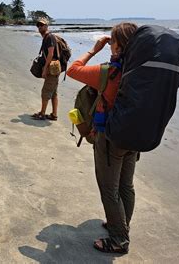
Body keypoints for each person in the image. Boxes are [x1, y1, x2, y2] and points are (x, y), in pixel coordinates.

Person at [66, 22, 139, 254]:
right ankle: (121, 224)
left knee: (109, 188)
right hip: (134, 136)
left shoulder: (108, 72)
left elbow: (73, 70)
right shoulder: (139, 73)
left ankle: (119, 239)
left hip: (110, 139)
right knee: (126, 185)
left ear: (117, 46)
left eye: (113, 41)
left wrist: (94, 50)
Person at [31, 17, 60, 121]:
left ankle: (42, 113)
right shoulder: (46, 38)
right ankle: (54, 114)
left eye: (42, 25)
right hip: (53, 68)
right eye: (38, 25)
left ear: (47, 26)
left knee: (46, 91)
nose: (40, 27)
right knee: (53, 92)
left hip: (51, 69)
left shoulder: (49, 37)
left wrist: (45, 69)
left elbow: (51, 54)